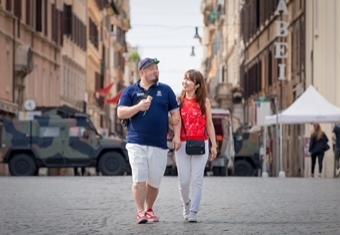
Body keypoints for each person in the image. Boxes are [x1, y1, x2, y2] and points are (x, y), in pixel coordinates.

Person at [117, 57, 181, 224]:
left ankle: (149, 209)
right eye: (152, 68)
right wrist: (139, 107)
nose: (156, 71)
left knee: (154, 179)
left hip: (159, 143)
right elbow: (120, 113)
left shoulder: (166, 90)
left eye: (157, 68)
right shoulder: (130, 91)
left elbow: (176, 115)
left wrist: (177, 136)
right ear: (142, 72)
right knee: (139, 178)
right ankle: (140, 212)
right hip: (136, 141)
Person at [174, 69, 217, 222]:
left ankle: (193, 211)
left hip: (201, 143)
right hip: (182, 145)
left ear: (197, 85)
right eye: (184, 78)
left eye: (189, 80)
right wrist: (175, 136)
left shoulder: (204, 101)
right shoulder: (178, 101)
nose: (184, 82)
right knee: (184, 181)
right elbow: (175, 122)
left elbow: (210, 124)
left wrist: (213, 145)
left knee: (197, 179)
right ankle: (186, 203)